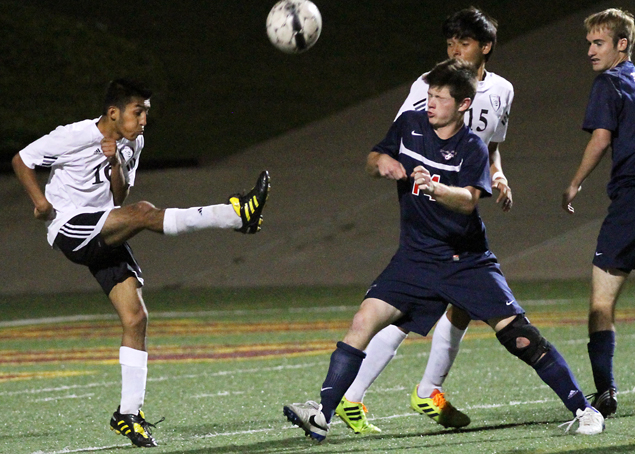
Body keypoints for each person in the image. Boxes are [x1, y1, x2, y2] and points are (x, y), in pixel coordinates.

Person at [283, 58, 604, 442]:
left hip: (464, 261)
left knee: (520, 337)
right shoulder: (408, 125)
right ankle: (323, 415)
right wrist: (381, 162)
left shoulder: (472, 148)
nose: (430, 102)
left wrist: (436, 189)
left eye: (439, 97)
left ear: (463, 105)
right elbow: (373, 159)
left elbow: (469, 200)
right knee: (363, 321)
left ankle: (585, 411)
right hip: (414, 260)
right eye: (429, 94)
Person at [11, 79, 270, 448]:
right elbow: (22, 159)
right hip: (69, 227)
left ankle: (128, 414)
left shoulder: (134, 142)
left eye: (146, 111)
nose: (145, 118)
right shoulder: (74, 135)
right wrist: (39, 202)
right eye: (139, 111)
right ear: (113, 113)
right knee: (145, 213)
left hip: (105, 225)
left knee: (136, 318)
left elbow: (119, 195)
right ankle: (234, 215)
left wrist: (114, 159)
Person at [336, 7, 514, 434]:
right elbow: (402, 136)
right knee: (411, 305)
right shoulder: (428, 86)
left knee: (461, 305)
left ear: (485, 48)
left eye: (463, 43)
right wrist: (397, 170)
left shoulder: (504, 90)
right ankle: (353, 395)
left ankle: (424, 390)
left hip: (462, 207)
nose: (454, 49)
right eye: (449, 42)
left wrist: (498, 174)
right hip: (431, 209)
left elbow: (489, 146)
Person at [561, 7, 635, 419]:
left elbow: (602, 138)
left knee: (601, 303)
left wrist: (575, 181)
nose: (590, 51)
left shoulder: (608, 83)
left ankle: (604, 391)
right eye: (589, 43)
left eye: (599, 43)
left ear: (621, 45)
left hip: (629, 203)